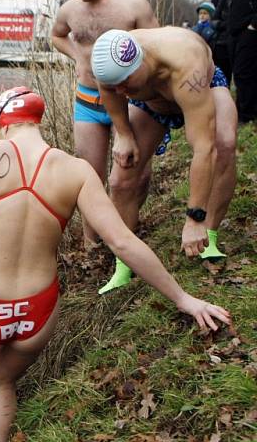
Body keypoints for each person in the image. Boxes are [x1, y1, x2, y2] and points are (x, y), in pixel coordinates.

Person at [0, 87, 230, 442]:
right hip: (38, 312)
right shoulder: (75, 171)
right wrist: (183, 298)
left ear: (1, 126)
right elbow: (122, 242)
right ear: (37, 122)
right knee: (2, 382)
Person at [90, 28, 238, 293]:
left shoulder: (183, 62)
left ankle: (209, 235)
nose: (121, 91)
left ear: (141, 61)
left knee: (223, 144)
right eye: (115, 86)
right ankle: (125, 263)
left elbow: (204, 149)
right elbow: (110, 90)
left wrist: (194, 218)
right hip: (153, 104)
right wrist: (123, 134)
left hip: (203, 87)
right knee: (121, 177)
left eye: (125, 83)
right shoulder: (110, 70)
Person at [51, 0, 159, 246]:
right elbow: (57, 35)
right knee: (89, 174)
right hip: (87, 99)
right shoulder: (70, 10)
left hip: (130, 100)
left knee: (134, 171)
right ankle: (92, 242)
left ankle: (127, 230)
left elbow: (157, 45)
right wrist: (77, 56)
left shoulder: (133, 5)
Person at [228, 0, 257, 123]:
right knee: (240, 73)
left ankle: (247, 115)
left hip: (251, 27)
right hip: (237, 29)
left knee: (244, 71)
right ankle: (244, 110)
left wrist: (254, 24)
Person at [211, 0, 242, 86]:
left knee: (241, 76)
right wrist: (225, 24)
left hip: (238, 42)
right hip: (221, 42)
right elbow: (214, 20)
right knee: (223, 77)